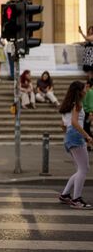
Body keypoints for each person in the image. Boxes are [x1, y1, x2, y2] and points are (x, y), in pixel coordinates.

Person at [58, 81, 93, 209]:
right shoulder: (77, 105)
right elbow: (74, 122)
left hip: (69, 137)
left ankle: (65, 195)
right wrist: (87, 136)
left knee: (80, 169)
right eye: (84, 88)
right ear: (79, 91)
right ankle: (76, 199)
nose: (86, 90)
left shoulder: (66, 106)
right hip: (76, 136)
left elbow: (63, 125)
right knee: (84, 169)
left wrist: (69, 134)